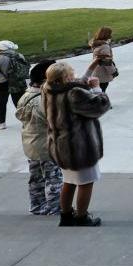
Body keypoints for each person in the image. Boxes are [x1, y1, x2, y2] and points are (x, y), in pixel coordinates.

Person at [43, 63, 111, 227]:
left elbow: (78, 83)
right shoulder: (73, 94)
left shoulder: (48, 89)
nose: (74, 76)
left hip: (61, 146)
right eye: (71, 74)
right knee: (86, 182)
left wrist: (92, 66)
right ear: (65, 78)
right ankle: (82, 217)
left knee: (69, 181)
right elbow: (100, 106)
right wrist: (97, 89)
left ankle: (66, 215)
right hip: (80, 147)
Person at [14, 60, 62, 216]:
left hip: (31, 144)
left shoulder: (26, 96)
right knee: (53, 178)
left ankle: (37, 205)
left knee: (36, 178)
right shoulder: (43, 100)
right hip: (47, 145)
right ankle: (56, 207)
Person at [0, 40, 28, 130]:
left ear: (1, 48)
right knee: (19, 103)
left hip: (1, 84)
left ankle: (2, 123)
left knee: (1, 103)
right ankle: (27, 122)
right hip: (18, 83)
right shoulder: (20, 55)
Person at [85, 27, 118, 93]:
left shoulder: (97, 44)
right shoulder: (105, 47)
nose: (111, 35)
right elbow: (106, 62)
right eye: (110, 34)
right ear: (107, 35)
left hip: (96, 71)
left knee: (97, 90)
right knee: (101, 91)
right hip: (102, 74)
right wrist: (114, 72)